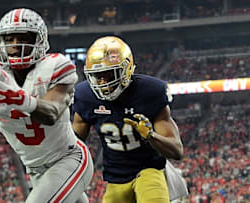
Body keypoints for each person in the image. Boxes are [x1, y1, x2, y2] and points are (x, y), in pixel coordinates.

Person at [0, 8, 93, 203]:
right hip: (35, 171)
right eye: (9, 39)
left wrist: (17, 98)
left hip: (68, 159)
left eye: (24, 37)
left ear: (40, 40)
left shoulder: (57, 66)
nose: (16, 45)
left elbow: (51, 112)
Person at [72, 36, 186, 202]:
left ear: (126, 70)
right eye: (97, 76)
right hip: (115, 177)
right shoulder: (85, 96)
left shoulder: (150, 92)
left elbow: (177, 151)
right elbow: (73, 144)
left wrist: (151, 136)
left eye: (108, 75)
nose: (103, 82)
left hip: (148, 169)